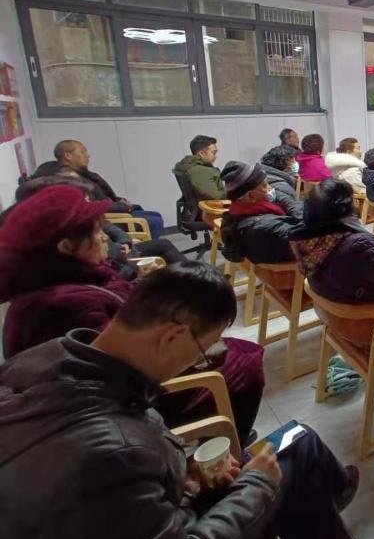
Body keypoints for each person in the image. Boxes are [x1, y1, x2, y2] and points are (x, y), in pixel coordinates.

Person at [0, 261, 374, 539]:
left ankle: (326, 505)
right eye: (203, 351)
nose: (200, 363)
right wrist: (257, 484)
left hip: (162, 509)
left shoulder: (41, 361)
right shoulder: (114, 452)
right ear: (173, 335)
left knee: (298, 440)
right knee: (286, 463)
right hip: (183, 528)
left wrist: (189, 478)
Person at [0, 185, 265, 443]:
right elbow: (119, 369)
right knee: (245, 359)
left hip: (138, 376)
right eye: (96, 232)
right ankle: (226, 445)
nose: (104, 237)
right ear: (67, 247)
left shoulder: (70, 279)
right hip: (139, 400)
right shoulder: (60, 306)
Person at [9, 175, 186, 280]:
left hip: (123, 257)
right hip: (124, 265)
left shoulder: (88, 225)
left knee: (163, 245)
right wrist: (136, 270)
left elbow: (112, 232)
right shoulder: (75, 251)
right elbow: (111, 278)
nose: (103, 235)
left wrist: (125, 243)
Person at [292, 179, 374, 305]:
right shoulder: (360, 245)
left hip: (337, 300)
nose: (356, 202)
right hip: (366, 309)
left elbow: (365, 265)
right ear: (344, 208)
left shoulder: (312, 241)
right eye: (353, 199)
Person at [35, 139, 165, 238]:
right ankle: (146, 252)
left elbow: (99, 196)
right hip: (107, 217)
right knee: (153, 221)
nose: (87, 156)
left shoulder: (80, 174)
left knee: (155, 215)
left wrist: (118, 200)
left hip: (112, 209)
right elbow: (92, 204)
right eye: (82, 152)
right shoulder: (68, 180)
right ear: (68, 155)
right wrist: (124, 207)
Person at [220, 161, 303, 265]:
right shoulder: (265, 228)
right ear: (250, 196)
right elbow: (309, 240)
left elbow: (282, 198)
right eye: (265, 185)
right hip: (289, 271)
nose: (270, 188)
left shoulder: (239, 211)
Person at [174, 134, 227, 200]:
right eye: (213, 152)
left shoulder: (188, 167)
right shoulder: (200, 171)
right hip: (215, 205)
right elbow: (216, 196)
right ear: (201, 153)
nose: (215, 156)